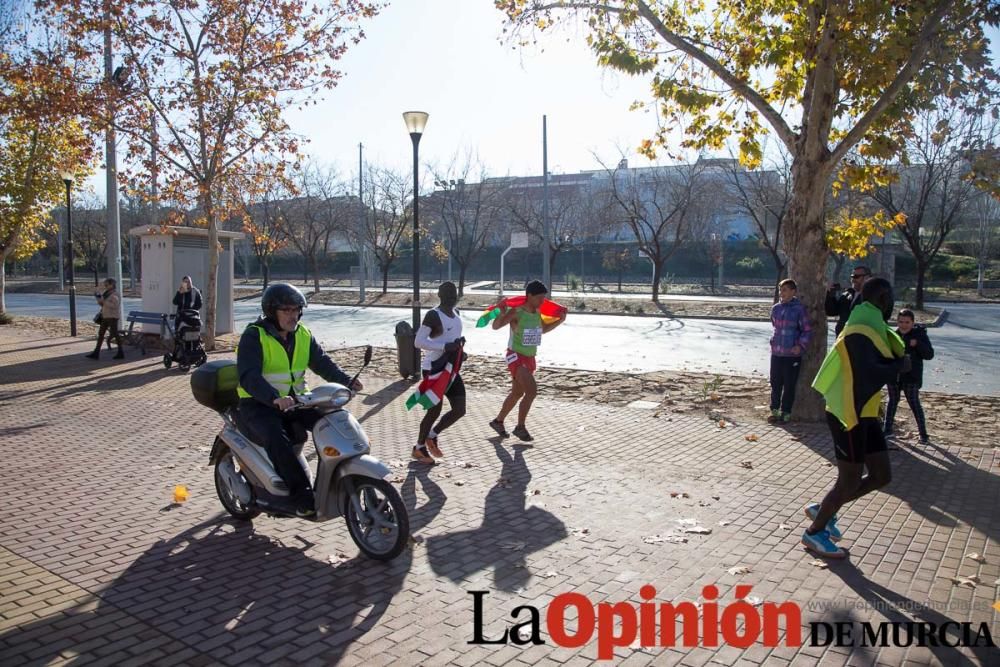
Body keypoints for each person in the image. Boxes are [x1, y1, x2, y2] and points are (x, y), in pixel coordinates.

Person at [235, 283, 362, 517]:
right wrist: (274, 398)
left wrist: (347, 381)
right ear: (272, 311)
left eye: (296, 310)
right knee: (277, 438)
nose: (293, 315)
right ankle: (301, 496)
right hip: (259, 405)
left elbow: (322, 363)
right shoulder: (254, 336)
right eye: (287, 310)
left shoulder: (302, 334)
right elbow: (249, 377)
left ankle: (343, 470)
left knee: (332, 419)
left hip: (296, 402)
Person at [805, 278, 909, 558]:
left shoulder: (873, 325)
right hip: (847, 412)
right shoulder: (859, 329)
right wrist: (899, 365)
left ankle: (824, 508)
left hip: (866, 411)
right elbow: (868, 372)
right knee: (849, 479)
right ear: (885, 298)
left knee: (881, 475)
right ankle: (814, 532)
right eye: (891, 299)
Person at [488, 280, 566, 442]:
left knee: (518, 393)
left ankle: (498, 421)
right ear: (529, 295)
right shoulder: (517, 312)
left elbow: (542, 329)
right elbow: (496, 326)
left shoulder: (537, 312)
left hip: (530, 357)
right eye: (539, 297)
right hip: (516, 356)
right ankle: (520, 427)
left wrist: (559, 321)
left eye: (544, 297)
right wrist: (502, 313)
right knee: (531, 391)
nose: (542, 301)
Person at [411, 282, 467, 464]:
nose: (452, 296)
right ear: (439, 294)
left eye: (454, 293)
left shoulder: (457, 313)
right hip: (434, 368)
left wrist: (459, 351)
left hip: (451, 368)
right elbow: (418, 342)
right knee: (434, 410)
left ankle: (432, 435)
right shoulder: (434, 315)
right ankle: (419, 448)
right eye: (447, 293)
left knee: (459, 409)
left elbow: (452, 339)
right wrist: (445, 346)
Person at [884, 308, 934, 444]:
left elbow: (929, 354)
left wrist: (917, 344)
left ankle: (923, 435)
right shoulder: (893, 336)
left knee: (914, 403)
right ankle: (887, 431)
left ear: (912, 322)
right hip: (894, 375)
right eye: (900, 322)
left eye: (907, 322)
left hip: (912, 376)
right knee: (892, 402)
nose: (903, 325)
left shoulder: (919, 335)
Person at [768, 278, 813, 423]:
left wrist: (799, 346)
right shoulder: (776, 308)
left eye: (785, 290)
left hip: (792, 355)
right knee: (775, 383)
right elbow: (775, 326)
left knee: (789, 384)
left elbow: (806, 330)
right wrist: (773, 341)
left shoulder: (799, 309)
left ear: (793, 292)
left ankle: (785, 412)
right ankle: (774, 410)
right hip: (777, 353)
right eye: (781, 290)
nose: (782, 293)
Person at [825, 265, 871, 336]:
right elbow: (832, 311)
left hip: (860, 338)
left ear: (866, 278)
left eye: (856, 277)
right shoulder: (847, 294)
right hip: (842, 338)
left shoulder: (872, 296)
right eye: (852, 277)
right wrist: (830, 295)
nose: (853, 279)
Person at [85, 278, 124, 360]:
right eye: (105, 284)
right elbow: (103, 304)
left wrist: (104, 300)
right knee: (101, 333)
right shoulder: (106, 293)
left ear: (112, 285)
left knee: (115, 334)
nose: (105, 286)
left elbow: (115, 306)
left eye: (107, 284)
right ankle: (96, 352)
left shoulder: (115, 294)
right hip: (105, 316)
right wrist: (98, 298)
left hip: (112, 317)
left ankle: (121, 352)